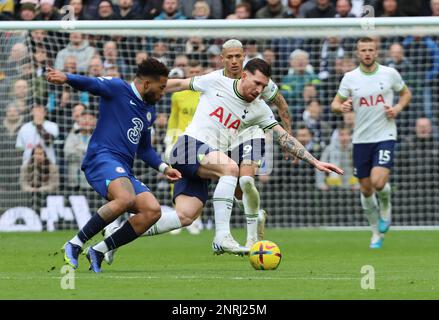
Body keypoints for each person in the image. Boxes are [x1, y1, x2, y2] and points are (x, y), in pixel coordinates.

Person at [108, 58, 342, 260]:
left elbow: (283, 137)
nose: (259, 89)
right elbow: (179, 84)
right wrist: (138, 92)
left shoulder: (260, 109)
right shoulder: (216, 82)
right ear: (243, 75)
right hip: (186, 148)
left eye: (264, 86)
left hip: (205, 160)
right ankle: (222, 237)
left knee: (185, 216)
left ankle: (112, 239)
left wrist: (315, 161)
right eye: (256, 82)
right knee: (231, 169)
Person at [46, 58, 182, 273]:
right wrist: (66, 78)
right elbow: (91, 83)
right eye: (162, 87)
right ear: (147, 84)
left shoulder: (149, 112)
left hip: (122, 168)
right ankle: (75, 243)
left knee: (152, 210)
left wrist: (164, 168)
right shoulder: (118, 88)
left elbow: (144, 149)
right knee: (125, 199)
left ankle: (99, 250)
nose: (163, 92)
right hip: (101, 158)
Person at [331, 37, 412, 249]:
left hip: (385, 135)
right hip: (361, 139)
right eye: (363, 50)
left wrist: (397, 109)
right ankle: (375, 233)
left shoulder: (389, 73)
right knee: (366, 190)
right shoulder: (350, 78)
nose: (367, 53)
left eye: (371, 50)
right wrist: (343, 107)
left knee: (378, 182)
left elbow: (405, 94)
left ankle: (386, 204)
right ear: (358, 53)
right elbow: (335, 104)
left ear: (377, 52)